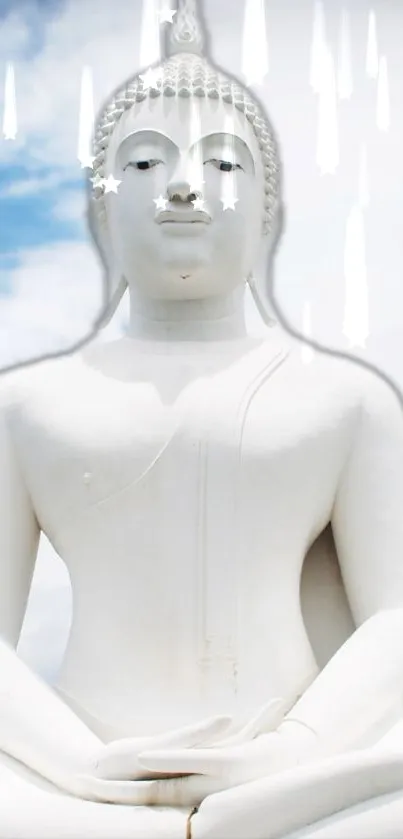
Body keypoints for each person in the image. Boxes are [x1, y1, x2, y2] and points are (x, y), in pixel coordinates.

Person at [0, 1, 403, 837]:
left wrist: (293, 750)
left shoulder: (345, 399)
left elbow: (394, 621)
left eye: (223, 163)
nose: (182, 184)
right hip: (68, 788)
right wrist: (80, 765)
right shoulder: (25, 404)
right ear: (99, 207)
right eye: (142, 164)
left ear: (269, 210)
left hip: (298, 776)